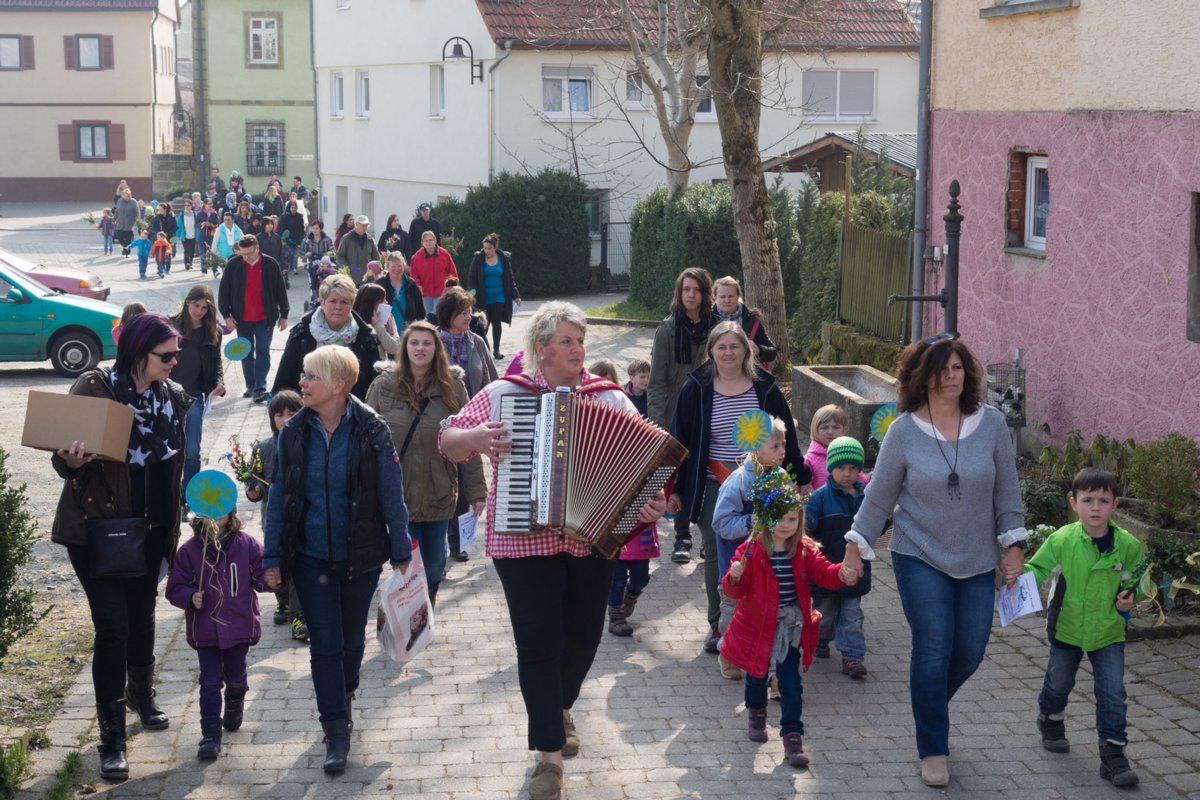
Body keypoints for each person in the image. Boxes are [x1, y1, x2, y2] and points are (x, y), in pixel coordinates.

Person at [439, 302, 667, 800]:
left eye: (580, 341)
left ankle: (561, 706)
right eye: (566, 341)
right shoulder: (505, 393)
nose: (577, 349)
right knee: (538, 643)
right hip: (522, 542)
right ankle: (549, 757)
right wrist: (474, 437)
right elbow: (448, 439)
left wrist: (648, 505)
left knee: (583, 636)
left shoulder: (611, 399)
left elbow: (648, 468)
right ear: (541, 347)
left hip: (592, 539)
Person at [840, 334, 1027, 788]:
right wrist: (854, 545)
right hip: (918, 553)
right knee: (934, 646)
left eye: (958, 368)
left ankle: (929, 706)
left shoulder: (993, 425)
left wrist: (1015, 545)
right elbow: (879, 498)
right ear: (921, 377)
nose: (951, 376)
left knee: (971, 650)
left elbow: (1007, 492)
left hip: (979, 556)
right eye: (942, 369)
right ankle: (933, 747)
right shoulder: (903, 431)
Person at [51, 313, 191, 782]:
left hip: (152, 529)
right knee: (112, 627)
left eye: (177, 354)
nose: (175, 362)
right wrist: (70, 460)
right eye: (166, 355)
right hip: (99, 529)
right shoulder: (96, 388)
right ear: (138, 351)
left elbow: (174, 462)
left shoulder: (170, 397)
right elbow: (62, 456)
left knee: (143, 617)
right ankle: (111, 737)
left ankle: (142, 696)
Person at [263, 345, 412, 774]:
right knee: (324, 645)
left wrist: (400, 550)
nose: (302, 383)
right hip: (310, 557)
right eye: (303, 376)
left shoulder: (371, 430)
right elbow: (279, 498)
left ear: (338, 385)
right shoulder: (293, 432)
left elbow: (390, 495)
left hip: (360, 556)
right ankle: (336, 729)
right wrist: (273, 556)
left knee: (350, 642)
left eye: (311, 376)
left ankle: (344, 693)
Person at [669, 321, 808, 655]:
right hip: (714, 481)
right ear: (712, 351)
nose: (728, 353)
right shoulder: (696, 387)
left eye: (735, 346)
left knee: (766, 549)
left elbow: (786, 434)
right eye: (722, 347)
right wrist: (673, 489)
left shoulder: (765, 387)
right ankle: (718, 624)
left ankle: (761, 620)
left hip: (763, 478)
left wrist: (800, 476)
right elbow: (678, 441)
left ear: (746, 350)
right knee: (719, 551)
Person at [721, 481, 857, 768]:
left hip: (791, 627)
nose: (785, 524)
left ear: (800, 520)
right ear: (766, 518)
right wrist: (735, 575)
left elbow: (824, 573)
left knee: (791, 684)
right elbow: (735, 591)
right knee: (756, 676)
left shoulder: (804, 549)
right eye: (779, 518)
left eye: (792, 519)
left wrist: (842, 573)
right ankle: (756, 712)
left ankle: (793, 737)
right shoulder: (751, 550)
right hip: (758, 627)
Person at [1024, 468, 1143, 788]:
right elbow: (1037, 570)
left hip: (1108, 631)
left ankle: (1114, 754)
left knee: (1113, 693)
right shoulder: (1062, 540)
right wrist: (1017, 583)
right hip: (1066, 628)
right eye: (1087, 500)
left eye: (1103, 500)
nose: (1095, 507)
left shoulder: (1128, 545)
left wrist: (1129, 599)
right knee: (1059, 682)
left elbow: (1135, 581)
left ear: (1114, 504)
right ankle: (1050, 718)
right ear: (1073, 503)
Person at [367, 321, 486, 603]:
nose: (420, 348)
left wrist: (477, 492)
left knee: (435, 560)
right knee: (405, 558)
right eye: (414, 343)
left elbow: (469, 442)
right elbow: (364, 439)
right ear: (404, 348)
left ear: (436, 349)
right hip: (397, 492)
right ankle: (411, 611)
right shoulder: (384, 385)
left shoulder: (453, 388)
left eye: (427, 343)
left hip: (439, 489)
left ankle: (427, 596)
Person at [165, 510, 264, 760]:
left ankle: (234, 703)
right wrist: (189, 597)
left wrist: (274, 578)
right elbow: (175, 587)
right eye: (209, 515)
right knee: (210, 681)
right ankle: (210, 735)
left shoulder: (247, 544)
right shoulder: (189, 551)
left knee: (236, 677)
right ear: (198, 518)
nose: (215, 520)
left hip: (239, 626)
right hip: (206, 629)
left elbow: (261, 577)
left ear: (231, 515)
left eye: (220, 514)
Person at [711, 414, 790, 680]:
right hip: (738, 564)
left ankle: (767, 661)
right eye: (775, 447)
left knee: (766, 611)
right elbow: (720, 523)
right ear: (756, 449)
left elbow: (792, 515)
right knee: (733, 611)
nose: (782, 452)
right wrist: (749, 521)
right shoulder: (738, 482)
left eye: (783, 445)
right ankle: (728, 653)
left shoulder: (781, 478)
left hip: (769, 562)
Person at [649, 268, 714, 563]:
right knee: (681, 475)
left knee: (713, 473)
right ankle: (682, 537)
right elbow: (657, 382)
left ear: (704, 293)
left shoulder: (719, 328)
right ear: (679, 293)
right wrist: (656, 426)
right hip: (677, 413)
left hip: (713, 409)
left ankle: (709, 538)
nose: (690, 295)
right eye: (686, 289)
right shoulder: (667, 330)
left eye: (696, 290)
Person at [435, 286, 497, 563]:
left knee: (465, 479)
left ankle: (457, 542)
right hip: (438, 421)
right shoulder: (433, 341)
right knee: (441, 481)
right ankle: (438, 541)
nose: (468, 317)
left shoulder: (477, 342)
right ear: (448, 314)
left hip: (470, 422)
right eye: (462, 313)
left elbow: (491, 379)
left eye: (470, 312)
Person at [804, 436, 870, 678]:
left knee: (852, 615)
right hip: (827, 567)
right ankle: (818, 641)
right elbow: (807, 523)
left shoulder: (866, 497)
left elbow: (873, 528)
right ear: (830, 467)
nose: (847, 473)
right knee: (825, 613)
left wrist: (884, 521)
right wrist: (805, 530)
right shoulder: (819, 497)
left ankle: (852, 657)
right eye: (841, 467)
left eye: (853, 468)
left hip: (856, 569)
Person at [245, 391, 307, 641]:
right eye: (279, 415)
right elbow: (254, 488)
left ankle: (298, 614)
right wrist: (253, 490)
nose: (285, 419)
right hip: (273, 517)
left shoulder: (307, 442)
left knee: (297, 562)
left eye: (292, 414)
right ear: (271, 418)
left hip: (301, 515)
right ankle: (282, 601)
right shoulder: (263, 447)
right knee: (277, 559)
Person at [605, 357, 658, 638]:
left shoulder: (647, 460)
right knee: (616, 574)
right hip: (617, 529)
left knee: (641, 577)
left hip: (641, 528)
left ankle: (631, 596)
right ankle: (615, 614)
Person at [272, 274, 380, 400]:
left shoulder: (365, 338)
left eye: (344, 302)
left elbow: (374, 386)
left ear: (351, 304)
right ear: (322, 303)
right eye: (333, 301)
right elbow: (283, 382)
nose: (338, 307)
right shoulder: (302, 335)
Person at [217, 235, 290, 404]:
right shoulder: (233, 265)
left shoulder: (270, 264)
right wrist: (226, 316)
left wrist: (284, 315)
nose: (247, 257)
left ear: (257, 249)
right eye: (243, 254)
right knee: (246, 352)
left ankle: (260, 387)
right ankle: (250, 385)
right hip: (242, 319)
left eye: (250, 253)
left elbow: (280, 290)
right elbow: (224, 293)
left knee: (263, 351)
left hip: (265, 318)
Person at [171, 285, 226, 492]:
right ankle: (169, 494)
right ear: (187, 302)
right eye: (196, 305)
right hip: (168, 394)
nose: (199, 311)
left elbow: (217, 362)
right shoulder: (170, 326)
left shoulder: (213, 332)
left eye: (204, 308)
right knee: (169, 447)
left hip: (194, 395)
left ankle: (188, 497)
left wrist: (218, 383)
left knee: (192, 449)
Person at [465, 233, 521, 360]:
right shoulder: (478, 258)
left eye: (489, 248)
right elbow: (471, 278)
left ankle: (496, 350)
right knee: (484, 324)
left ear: (495, 248)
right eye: (484, 248)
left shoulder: (503, 258)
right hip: (483, 297)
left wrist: (516, 295)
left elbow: (510, 278)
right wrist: (471, 294)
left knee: (496, 322)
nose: (487, 251)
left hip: (499, 296)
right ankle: (482, 350)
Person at [712, 276, 778, 366]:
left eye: (731, 296)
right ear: (715, 297)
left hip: (747, 376)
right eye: (722, 297)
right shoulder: (707, 320)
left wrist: (758, 349)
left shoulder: (752, 320)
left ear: (738, 296)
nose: (727, 300)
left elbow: (773, 352)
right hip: (715, 375)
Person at [376, 252, 426, 335]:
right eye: (393, 266)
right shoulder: (379, 285)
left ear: (404, 266)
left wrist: (415, 327)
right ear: (388, 267)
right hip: (386, 334)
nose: (397, 269)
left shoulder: (411, 285)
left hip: (408, 334)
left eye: (399, 266)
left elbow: (421, 313)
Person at [411, 230, 459, 317]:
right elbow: (414, 275)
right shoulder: (416, 257)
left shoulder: (444, 254)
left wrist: (453, 287)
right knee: (427, 317)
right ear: (422, 242)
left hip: (442, 292)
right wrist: (418, 286)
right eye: (426, 240)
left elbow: (452, 273)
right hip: (425, 294)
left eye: (431, 240)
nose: (428, 242)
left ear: (435, 241)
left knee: (440, 316)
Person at [804, 404, 848, 491]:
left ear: (844, 430)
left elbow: (860, 479)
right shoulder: (809, 460)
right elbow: (804, 490)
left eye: (836, 427)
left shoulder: (849, 454)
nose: (830, 432)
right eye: (824, 428)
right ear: (815, 430)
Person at [353, 283, 399, 360]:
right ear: (372, 302)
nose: (386, 302)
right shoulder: (354, 320)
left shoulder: (388, 318)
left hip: (380, 366)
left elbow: (394, 349)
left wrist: (380, 326)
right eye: (382, 300)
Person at [336, 215, 380, 285]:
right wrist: (349, 268)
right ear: (356, 225)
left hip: (368, 278)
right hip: (352, 278)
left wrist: (374, 269)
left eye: (367, 225)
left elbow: (376, 257)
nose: (365, 227)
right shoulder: (346, 238)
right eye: (363, 225)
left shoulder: (370, 239)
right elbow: (340, 256)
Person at [149, 202, 178, 273]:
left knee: (168, 253)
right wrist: (159, 234)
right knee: (159, 254)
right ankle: (160, 268)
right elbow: (154, 227)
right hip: (160, 238)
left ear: (165, 209)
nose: (159, 211)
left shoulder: (172, 216)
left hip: (170, 237)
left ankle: (167, 268)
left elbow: (175, 227)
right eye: (159, 209)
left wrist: (168, 233)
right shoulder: (157, 218)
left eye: (161, 209)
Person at [175, 199, 201, 271]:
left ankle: (191, 263)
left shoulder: (195, 214)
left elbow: (198, 225)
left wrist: (198, 235)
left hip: (193, 235)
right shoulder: (181, 215)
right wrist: (177, 236)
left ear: (191, 206)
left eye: (188, 205)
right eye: (185, 205)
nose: (186, 207)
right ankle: (187, 264)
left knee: (192, 251)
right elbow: (179, 226)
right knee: (186, 250)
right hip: (185, 236)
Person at [114, 189, 139, 256]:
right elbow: (117, 211)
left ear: (129, 195)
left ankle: (127, 252)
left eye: (126, 195)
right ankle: (125, 248)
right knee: (120, 238)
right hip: (120, 223)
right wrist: (114, 219)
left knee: (128, 240)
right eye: (123, 195)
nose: (125, 197)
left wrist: (135, 224)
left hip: (129, 224)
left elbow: (137, 214)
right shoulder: (119, 201)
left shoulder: (133, 202)